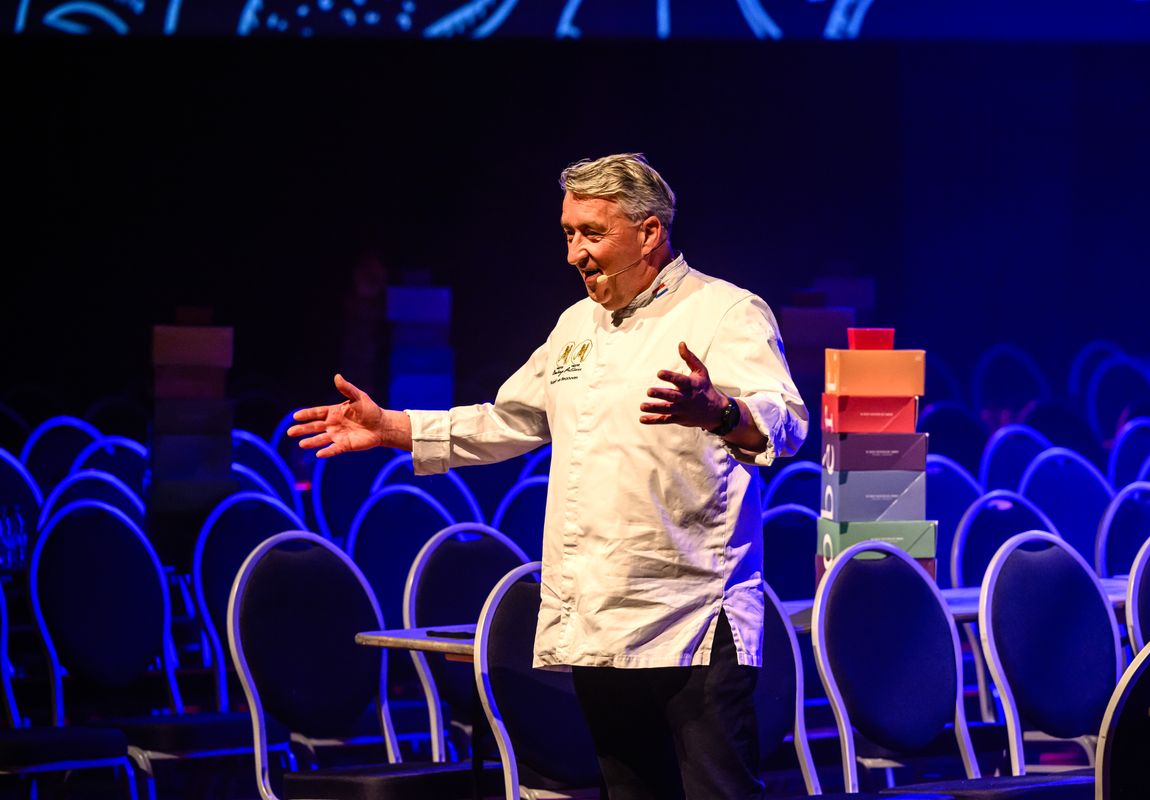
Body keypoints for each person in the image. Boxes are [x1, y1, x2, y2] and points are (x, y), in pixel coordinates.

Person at [289, 153, 808, 799]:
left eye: (592, 233)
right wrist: (393, 427)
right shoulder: (574, 326)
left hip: (694, 621)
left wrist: (722, 412)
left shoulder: (724, 311)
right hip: (598, 615)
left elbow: (786, 423)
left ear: (649, 232)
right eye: (568, 233)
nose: (574, 253)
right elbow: (508, 420)